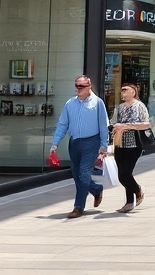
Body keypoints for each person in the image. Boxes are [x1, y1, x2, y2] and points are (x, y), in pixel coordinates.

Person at [49, 75, 110, 219]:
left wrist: (103, 146)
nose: (78, 89)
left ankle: (78, 207)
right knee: (76, 175)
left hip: (91, 142)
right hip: (75, 143)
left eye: (81, 86)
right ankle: (96, 189)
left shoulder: (97, 103)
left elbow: (103, 125)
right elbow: (63, 124)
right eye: (76, 86)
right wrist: (55, 143)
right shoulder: (70, 104)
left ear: (89, 87)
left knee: (83, 173)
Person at [110, 82, 151, 213]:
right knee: (122, 173)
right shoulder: (119, 107)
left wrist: (127, 126)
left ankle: (138, 189)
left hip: (134, 143)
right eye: (121, 90)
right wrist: (114, 127)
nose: (122, 92)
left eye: (125, 90)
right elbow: (112, 122)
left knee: (125, 173)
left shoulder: (139, 106)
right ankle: (129, 202)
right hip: (119, 143)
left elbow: (146, 124)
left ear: (133, 92)